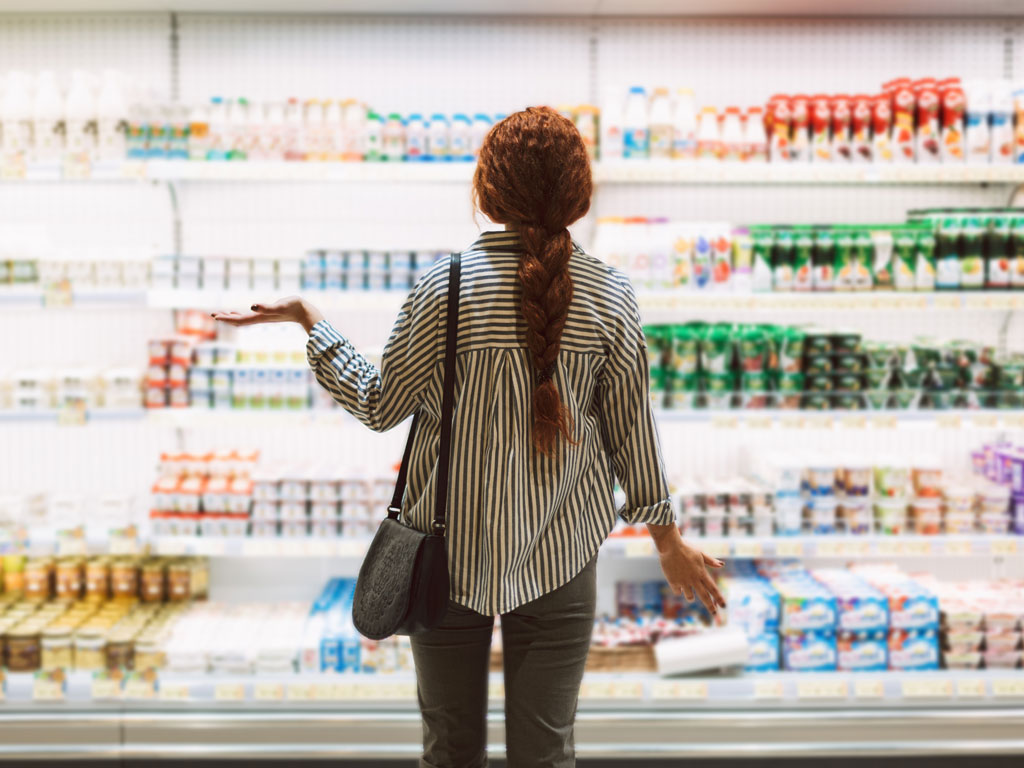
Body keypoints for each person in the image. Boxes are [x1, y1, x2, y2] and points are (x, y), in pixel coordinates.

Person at [212, 105, 726, 768]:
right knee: (546, 750)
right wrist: (667, 538)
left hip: (446, 558)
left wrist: (313, 323)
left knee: (450, 747)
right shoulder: (612, 294)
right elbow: (633, 430)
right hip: (562, 553)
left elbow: (379, 405)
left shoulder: (442, 285)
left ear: (488, 189)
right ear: (579, 191)